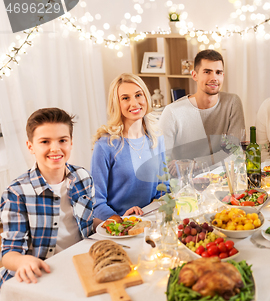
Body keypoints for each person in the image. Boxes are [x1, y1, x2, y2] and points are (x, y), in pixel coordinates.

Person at [0, 108, 94, 287]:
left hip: (79, 266)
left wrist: (114, 223)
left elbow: (87, 223)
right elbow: (9, 254)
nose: (55, 148)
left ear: (71, 142)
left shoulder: (83, 177)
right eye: (45, 141)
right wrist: (22, 261)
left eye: (62, 140)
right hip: (37, 276)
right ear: (30, 146)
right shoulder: (16, 193)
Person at [91, 73, 166, 221]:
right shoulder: (105, 146)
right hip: (119, 227)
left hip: (151, 221)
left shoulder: (156, 138)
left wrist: (151, 211)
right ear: (116, 104)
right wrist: (122, 221)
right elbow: (96, 202)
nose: (134, 103)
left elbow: (164, 185)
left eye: (138, 95)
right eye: (125, 98)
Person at [159, 49, 245, 166]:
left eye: (218, 72)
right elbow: (162, 162)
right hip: (185, 181)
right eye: (207, 72)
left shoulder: (232, 102)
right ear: (194, 75)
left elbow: (234, 152)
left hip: (222, 179)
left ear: (223, 76)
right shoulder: (172, 112)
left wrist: (194, 164)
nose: (214, 78)